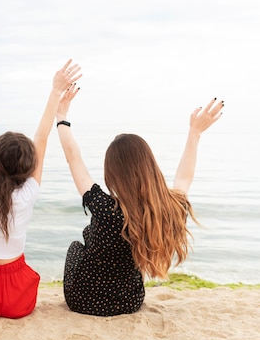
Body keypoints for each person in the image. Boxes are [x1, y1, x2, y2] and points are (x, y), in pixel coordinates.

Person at [56, 82, 224, 316]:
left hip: (84, 300)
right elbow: (184, 177)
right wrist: (194, 133)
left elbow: (73, 159)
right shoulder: (168, 208)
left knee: (76, 247)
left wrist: (61, 117)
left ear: (112, 173)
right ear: (149, 166)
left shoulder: (104, 208)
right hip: (129, 302)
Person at [0, 54, 81, 318]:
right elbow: (41, 137)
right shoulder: (29, 193)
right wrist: (55, 91)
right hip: (19, 299)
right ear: (28, 167)